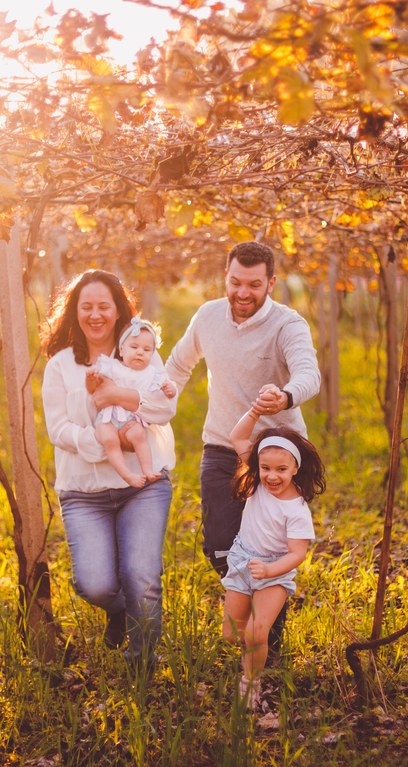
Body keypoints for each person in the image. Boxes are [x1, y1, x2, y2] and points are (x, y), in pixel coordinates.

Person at [166, 240, 321, 664]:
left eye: (254, 284)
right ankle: (257, 608)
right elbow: (177, 367)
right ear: (226, 277)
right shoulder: (208, 316)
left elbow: (309, 373)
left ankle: (268, 636)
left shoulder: (288, 324)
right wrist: (157, 400)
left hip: (279, 454)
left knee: (274, 546)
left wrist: (286, 397)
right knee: (219, 543)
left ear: (270, 283)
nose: (243, 293)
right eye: (236, 282)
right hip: (222, 444)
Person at [40, 270, 176, 664]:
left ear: (119, 311)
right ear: (74, 312)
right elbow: (58, 429)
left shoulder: (141, 351)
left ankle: (143, 664)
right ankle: (117, 609)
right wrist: (104, 442)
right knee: (94, 586)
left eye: (104, 306)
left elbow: (166, 408)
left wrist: (120, 394)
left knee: (142, 578)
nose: (95, 314)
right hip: (84, 492)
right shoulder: (60, 365)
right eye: (87, 307)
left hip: (144, 485)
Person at [221, 410, 325, 708]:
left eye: (281, 469)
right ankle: (258, 649)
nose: (272, 476)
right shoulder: (256, 480)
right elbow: (237, 437)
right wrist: (254, 411)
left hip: (275, 571)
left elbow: (297, 554)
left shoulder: (297, 510)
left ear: (295, 468)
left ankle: (250, 682)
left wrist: (268, 571)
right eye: (265, 468)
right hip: (242, 562)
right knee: (231, 634)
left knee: (256, 631)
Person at [90, 316, 177, 488]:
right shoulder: (113, 366)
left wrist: (170, 389)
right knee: (110, 440)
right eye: (134, 347)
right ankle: (127, 474)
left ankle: (147, 469)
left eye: (146, 350)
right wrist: (92, 377)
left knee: (139, 434)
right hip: (108, 417)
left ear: (152, 354)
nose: (140, 352)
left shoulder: (151, 373)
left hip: (131, 420)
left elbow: (167, 390)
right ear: (121, 350)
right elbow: (96, 387)